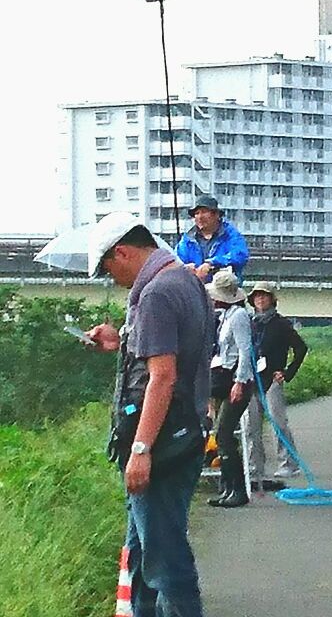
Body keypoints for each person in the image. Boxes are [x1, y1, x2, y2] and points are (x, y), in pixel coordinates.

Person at [85, 211, 214, 616]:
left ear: (122, 252)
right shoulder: (186, 281)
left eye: (108, 269)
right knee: (142, 557)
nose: (112, 280)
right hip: (187, 431)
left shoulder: (156, 293)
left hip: (161, 443)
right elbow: (170, 351)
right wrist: (121, 339)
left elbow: (161, 378)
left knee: (164, 560)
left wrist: (140, 449)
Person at [245, 281, 308, 480]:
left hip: (272, 380)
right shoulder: (249, 323)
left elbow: (301, 348)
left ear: (272, 299)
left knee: (278, 423)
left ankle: (288, 464)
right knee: (250, 427)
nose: (260, 299)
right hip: (251, 380)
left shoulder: (281, 324)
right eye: (257, 296)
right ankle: (255, 466)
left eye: (264, 296)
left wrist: (287, 372)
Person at [206, 269, 255, 508]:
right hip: (222, 378)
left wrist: (240, 381)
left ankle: (237, 490)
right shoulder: (223, 315)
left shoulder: (239, 316)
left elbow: (246, 352)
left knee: (224, 433)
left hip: (236, 381)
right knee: (220, 433)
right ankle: (227, 489)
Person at [176, 195, 249, 282]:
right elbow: (176, 260)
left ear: (216, 215)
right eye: (196, 213)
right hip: (194, 287)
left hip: (225, 289)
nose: (200, 217)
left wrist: (212, 263)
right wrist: (185, 268)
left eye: (204, 212)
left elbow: (240, 255)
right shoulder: (187, 239)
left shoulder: (231, 235)